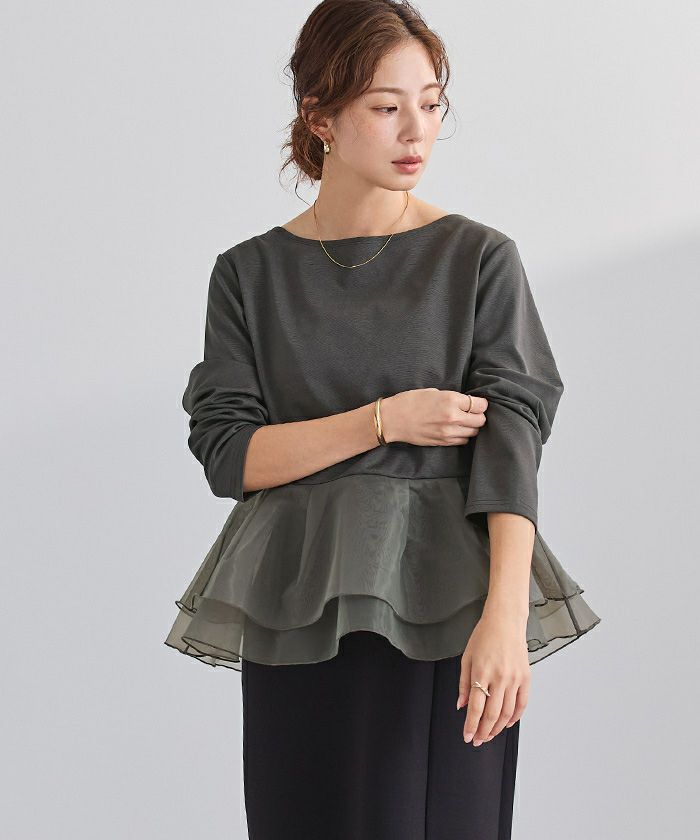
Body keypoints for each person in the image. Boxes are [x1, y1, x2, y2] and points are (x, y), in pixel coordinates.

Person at [164, 1, 601, 837]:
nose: (417, 131)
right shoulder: (249, 275)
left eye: (431, 104)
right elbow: (230, 455)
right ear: (319, 117)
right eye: (386, 105)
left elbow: (512, 445)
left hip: (446, 606)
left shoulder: (478, 259)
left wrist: (505, 618)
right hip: (297, 610)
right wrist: (384, 420)